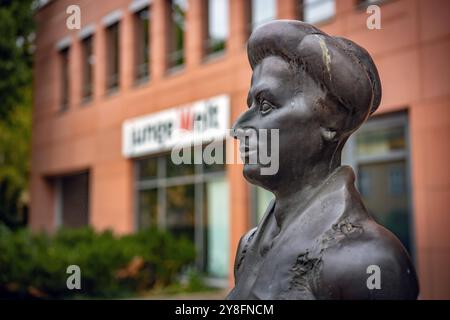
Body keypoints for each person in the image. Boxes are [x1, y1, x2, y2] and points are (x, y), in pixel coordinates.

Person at [227, 20, 418, 300]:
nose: (238, 128)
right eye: (250, 106)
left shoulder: (369, 259)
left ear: (331, 120)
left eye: (266, 105)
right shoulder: (248, 246)